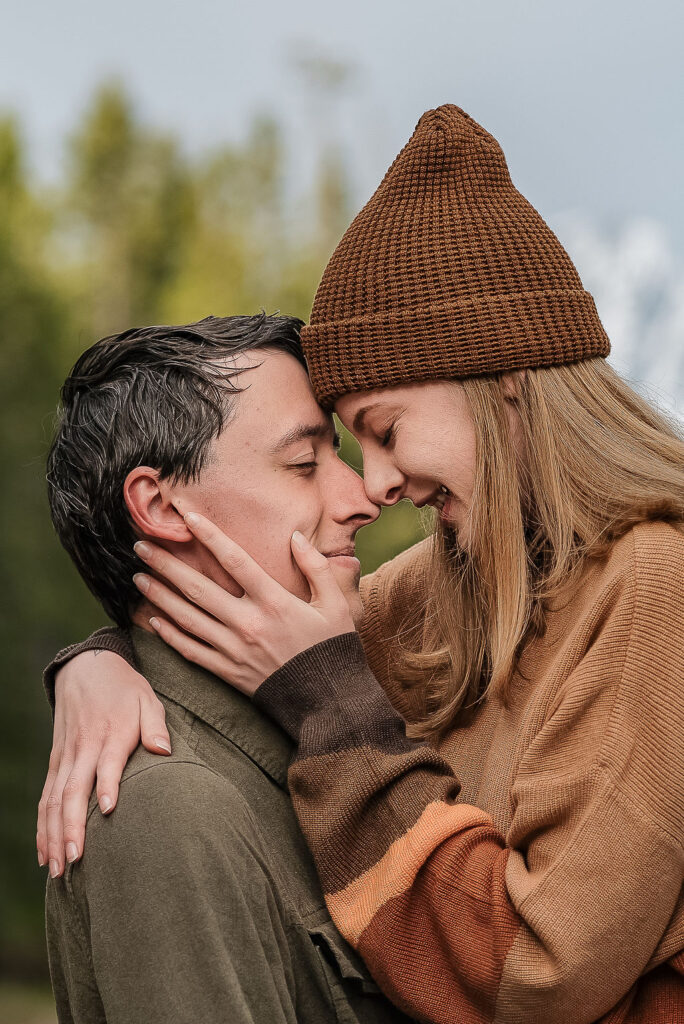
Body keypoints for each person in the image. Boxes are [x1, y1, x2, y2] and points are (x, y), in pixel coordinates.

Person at [41, 106, 684, 1023]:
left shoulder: (657, 585)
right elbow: (260, 622)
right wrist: (99, 663)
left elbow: (548, 975)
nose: (373, 486)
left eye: (382, 432)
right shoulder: (465, 582)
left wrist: (337, 701)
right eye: (325, 454)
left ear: (502, 383)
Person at [42, 312, 412, 1024]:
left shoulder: (313, 724)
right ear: (160, 506)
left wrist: (91, 657)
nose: (360, 498)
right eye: (305, 464)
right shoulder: (165, 806)